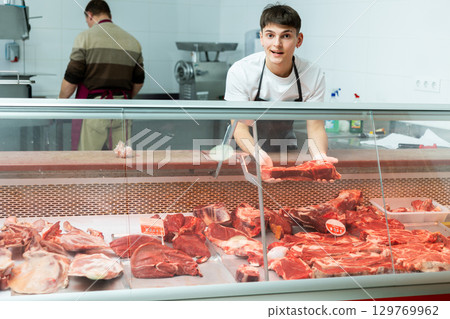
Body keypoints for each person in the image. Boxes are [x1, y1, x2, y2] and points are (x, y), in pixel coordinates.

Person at [225, 3, 337, 170]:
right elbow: (239, 127)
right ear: (261, 38)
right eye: (270, 35)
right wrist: (257, 154)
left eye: (285, 36)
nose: (277, 44)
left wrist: (320, 158)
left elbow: (315, 127)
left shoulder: (313, 74)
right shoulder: (241, 71)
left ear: (298, 40)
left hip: (286, 150)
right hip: (245, 153)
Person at [59, 0, 145, 151]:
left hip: (94, 111)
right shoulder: (133, 42)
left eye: (87, 20)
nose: (88, 24)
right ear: (109, 15)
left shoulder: (85, 38)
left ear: (90, 15)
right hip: (123, 111)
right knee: (121, 162)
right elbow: (138, 81)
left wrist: (60, 102)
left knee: (89, 162)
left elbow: (71, 79)